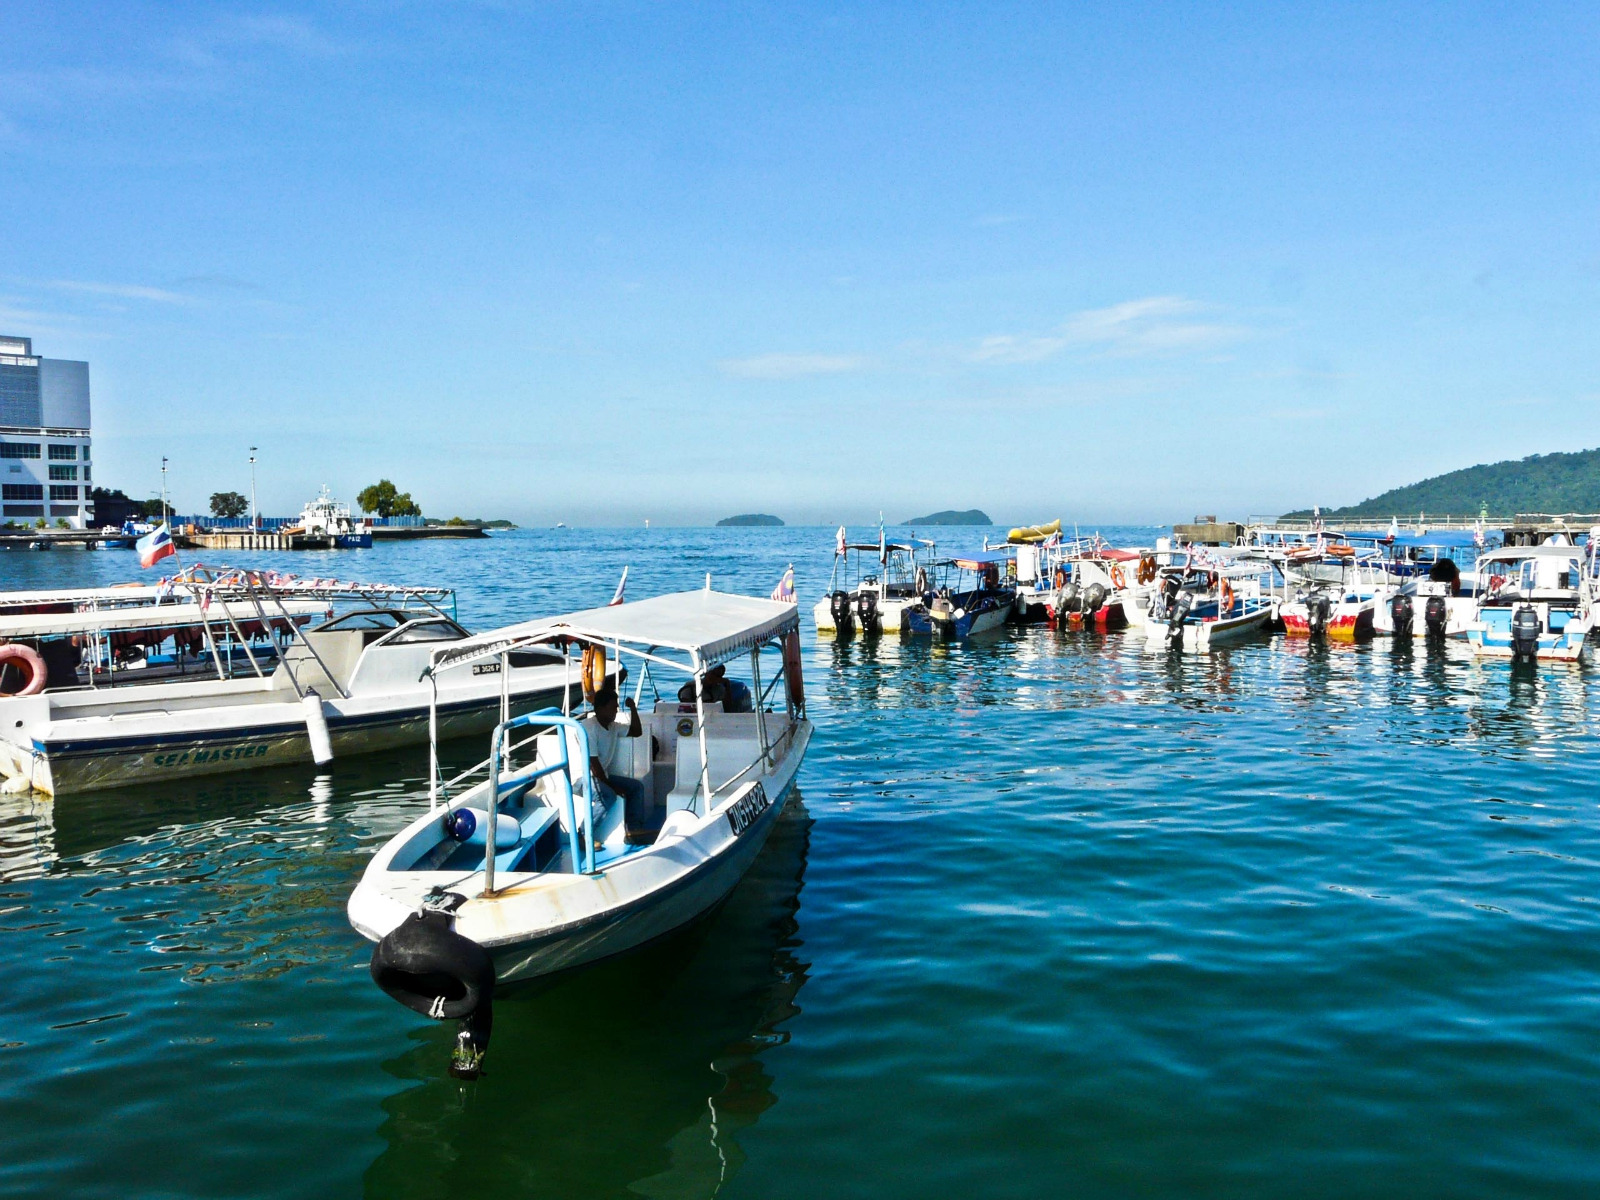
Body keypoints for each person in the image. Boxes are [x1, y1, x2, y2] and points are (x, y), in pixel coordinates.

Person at [587, 683, 645, 826]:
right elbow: (593, 765)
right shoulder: (589, 728)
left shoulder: (613, 726)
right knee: (608, 796)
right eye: (613, 707)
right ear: (601, 708)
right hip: (583, 778)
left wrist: (633, 708)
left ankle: (633, 827)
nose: (616, 711)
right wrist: (612, 787)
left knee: (636, 787)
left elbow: (637, 732)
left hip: (602, 776)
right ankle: (583, 833)